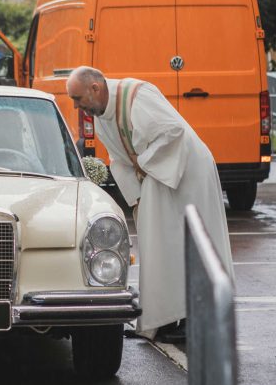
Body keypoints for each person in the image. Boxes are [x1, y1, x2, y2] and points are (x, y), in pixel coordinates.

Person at [66, 66, 234, 343]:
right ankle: (164, 319)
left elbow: (172, 132)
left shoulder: (137, 95)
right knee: (161, 247)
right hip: (158, 175)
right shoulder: (101, 117)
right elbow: (118, 159)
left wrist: (142, 165)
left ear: (95, 89)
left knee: (195, 244)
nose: (76, 106)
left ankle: (196, 319)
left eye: (78, 99)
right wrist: (137, 198)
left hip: (188, 173)